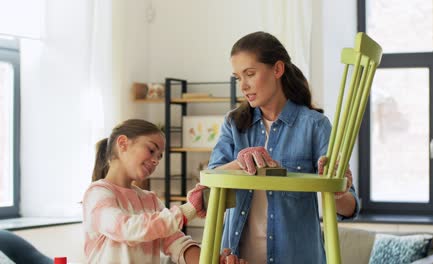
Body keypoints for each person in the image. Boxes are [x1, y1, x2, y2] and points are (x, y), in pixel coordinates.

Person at [206, 31, 360, 263]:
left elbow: (350, 209)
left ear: (277, 70)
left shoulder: (315, 126)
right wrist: (240, 162)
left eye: (250, 74)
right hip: (236, 258)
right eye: (238, 78)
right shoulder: (234, 124)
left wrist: (338, 188)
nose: (244, 86)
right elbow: (210, 186)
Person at [82, 119, 207, 264]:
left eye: (159, 156)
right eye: (151, 150)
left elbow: (177, 244)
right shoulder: (97, 193)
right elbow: (126, 229)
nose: (156, 161)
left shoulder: (150, 200)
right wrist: (187, 210)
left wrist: (211, 260)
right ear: (123, 143)